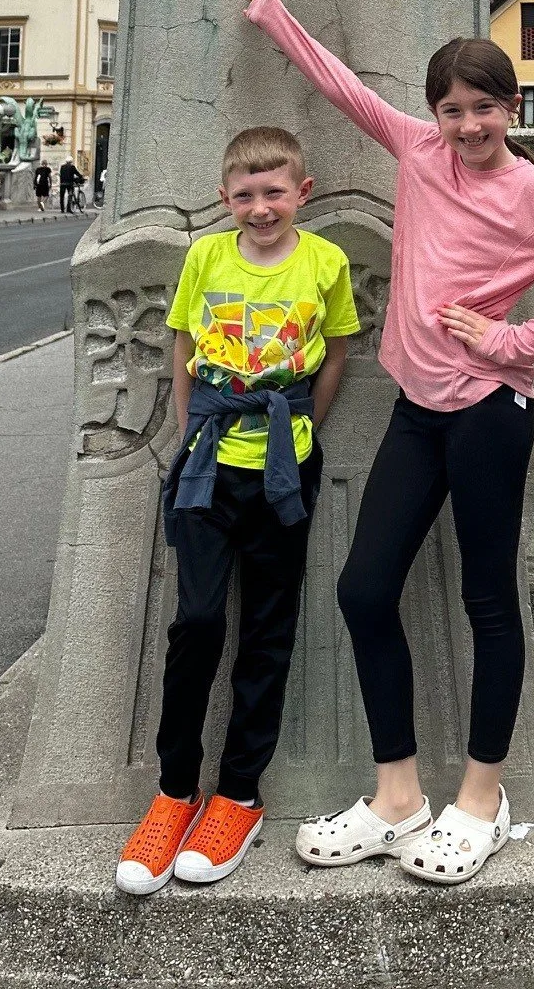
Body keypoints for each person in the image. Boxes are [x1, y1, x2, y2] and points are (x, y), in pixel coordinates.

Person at [243, 0, 534, 886]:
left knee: (488, 602)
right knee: (364, 590)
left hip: (492, 414)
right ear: (435, 114)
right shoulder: (417, 150)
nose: (467, 125)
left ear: (510, 107)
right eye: (452, 110)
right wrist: (274, 18)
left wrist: (510, 341)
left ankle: (483, 802)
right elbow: (346, 90)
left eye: (483, 108)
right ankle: (398, 798)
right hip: (418, 412)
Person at [115, 125, 358, 896]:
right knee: (196, 622)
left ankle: (240, 796)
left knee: (267, 630)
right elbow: (182, 349)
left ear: (301, 193)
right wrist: (192, 431)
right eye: (245, 195)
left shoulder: (326, 263)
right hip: (209, 467)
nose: (260, 208)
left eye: (274, 192)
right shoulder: (206, 258)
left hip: (283, 469)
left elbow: (337, 355)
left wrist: (303, 430)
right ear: (225, 197)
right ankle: (175, 790)